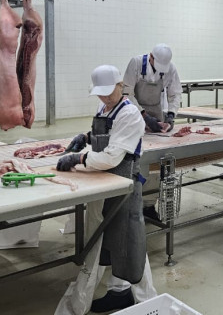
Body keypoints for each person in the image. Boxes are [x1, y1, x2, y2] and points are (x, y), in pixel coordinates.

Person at [55, 65, 157, 314]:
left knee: (130, 241)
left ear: (121, 86)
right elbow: (107, 134)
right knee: (107, 240)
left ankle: (147, 301)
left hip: (123, 184)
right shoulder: (104, 107)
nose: (104, 97)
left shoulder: (130, 113)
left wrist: (79, 158)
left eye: (109, 92)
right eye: (100, 93)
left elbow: (112, 156)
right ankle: (119, 292)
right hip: (103, 182)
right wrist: (86, 137)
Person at [123, 44, 181, 133]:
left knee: (158, 138)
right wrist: (145, 116)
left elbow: (175, 94)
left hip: (156, 110)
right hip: (135, 110)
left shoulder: (171, 68)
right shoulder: (136, 63)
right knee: (136, 135)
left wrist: (171, 115)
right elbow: (127, 94)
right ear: (151, 56)